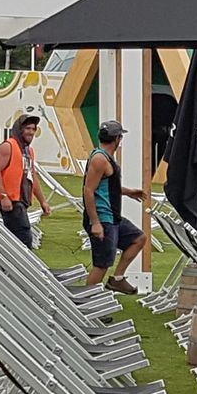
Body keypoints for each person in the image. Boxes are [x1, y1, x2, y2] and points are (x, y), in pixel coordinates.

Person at [82, 119, 144, 291]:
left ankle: (117, 279)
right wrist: (95, 223)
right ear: (117, 139)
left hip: (112, 217)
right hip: (103, 218)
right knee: (101, 265)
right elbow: (88, 190)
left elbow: (106, 187)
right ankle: (86, 303)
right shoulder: (100, 159)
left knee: (138, 239)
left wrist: (128, 191)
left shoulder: (105, 158)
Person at [0, 110, 50, 246]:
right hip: (11, 201)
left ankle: (8, 265)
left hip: (22, 200)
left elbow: (33, 177)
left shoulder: (29, 151)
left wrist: (43, 202)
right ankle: (19, 265)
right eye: (27, 128)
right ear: (19, 129)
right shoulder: (8, 146)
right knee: (24, 237)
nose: (31, 132)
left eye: (34, 129)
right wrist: (4, 196)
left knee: (18, 238)